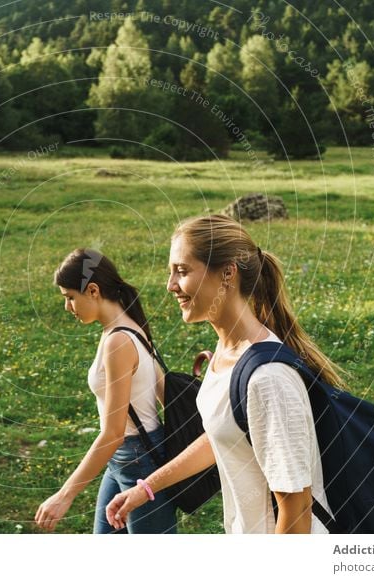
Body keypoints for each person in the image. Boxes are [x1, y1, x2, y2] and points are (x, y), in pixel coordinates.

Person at [106, 214, 346, 534]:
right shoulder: (226, 352)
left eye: (182, 270)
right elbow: (226, 434)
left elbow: (297, 510)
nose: (170, 285)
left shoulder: (268, 379)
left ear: (228, 273)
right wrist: (146, 488)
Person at [34, 248, 177, 533]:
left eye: (70, 297)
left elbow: (113, 433)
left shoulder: (119, 341)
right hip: (125, 460)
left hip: (138, 461)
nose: (67, 307)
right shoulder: (127, 327)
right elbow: (162, 392)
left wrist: (65, 495)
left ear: (94, 290)